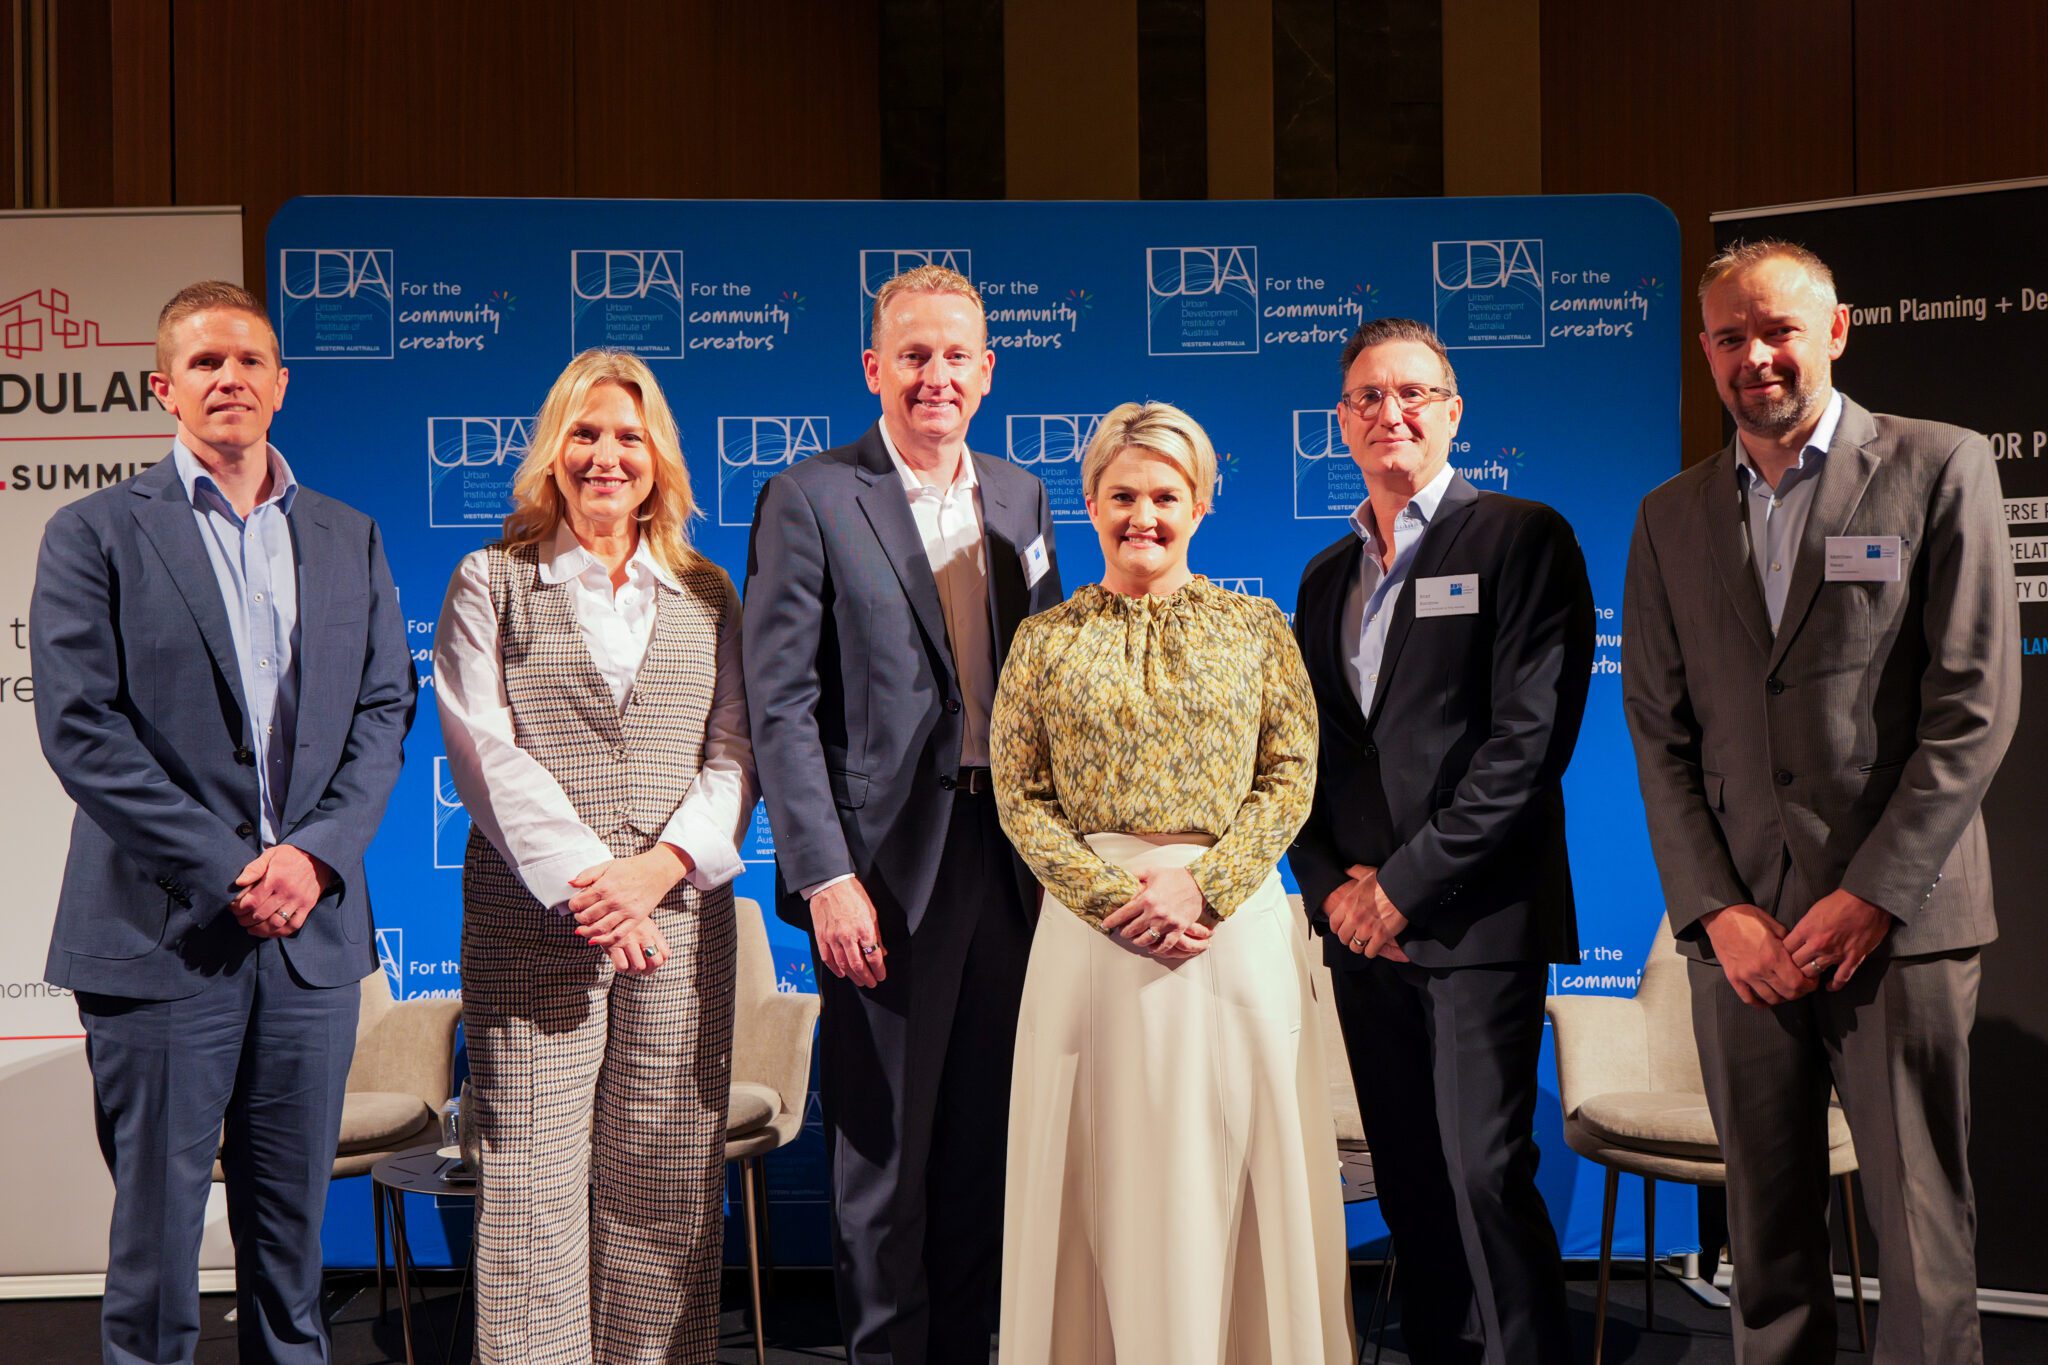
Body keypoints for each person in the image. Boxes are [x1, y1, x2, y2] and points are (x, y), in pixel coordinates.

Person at [1623, 240, 2019, 1364]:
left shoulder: (1939, 464)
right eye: (1729, 337)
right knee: (1765, 1244)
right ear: (1705, 352)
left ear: (1835, 331)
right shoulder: (1667, 515)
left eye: (1777, 330)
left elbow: (1973, 706)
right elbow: (1657, 733)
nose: (1755, 356)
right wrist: (1716, 912)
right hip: (1742, 937)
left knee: (1919, 1234)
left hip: (1899, 926)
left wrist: (1870, 895)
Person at [30, 280, 416, 1363]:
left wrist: (314, 858)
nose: (229, 378)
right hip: (163, 941)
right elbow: (81, 729)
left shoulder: (347, 535)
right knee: (156, 1262)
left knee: (293, 1263)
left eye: (249, 360)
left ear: (281, 384)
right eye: (204, 362)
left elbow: (384, 710)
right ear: (164, 388)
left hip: (309, 944)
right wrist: (237, 869)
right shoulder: (94, 533)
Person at [743, 264, 1063, 1364]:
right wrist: (824, 875)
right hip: (879, 875)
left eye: (956, 357)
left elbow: (1047, 685)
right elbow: (780, 704)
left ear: (988, 370)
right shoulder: (811, 496)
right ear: (874, 368)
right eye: (914, 356)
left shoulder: (1021, 497)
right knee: (884, 1163)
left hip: (1007, 866)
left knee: (982, 1152)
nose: (936, 377)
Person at [990, 400, 1352, 1364]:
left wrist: (1209, 886)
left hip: (1230, 933)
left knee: (1231, 1165)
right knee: (1099, 1168)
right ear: (1090, 504)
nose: (1142, 515)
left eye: (1164, 495)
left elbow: (1291, 776)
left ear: (1200, 504)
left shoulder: (1258, 627)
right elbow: (1021, 798)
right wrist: (1112, 899)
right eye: (1121, 496)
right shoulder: (1043, 640)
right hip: (1089, 942)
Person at [433, 349, 756, 1364]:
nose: (605, 456)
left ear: (658, 458)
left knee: (665, 1183)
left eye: (628, 436)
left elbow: (735, 752)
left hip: (678, 924)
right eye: (584, 433)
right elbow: (483, 749)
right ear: (552, 452)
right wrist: (596, 886)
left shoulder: (707, 591)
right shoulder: (491, 579)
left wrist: (654, 873)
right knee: (530, 1189)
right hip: (532, 926)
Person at [1290, 317, 1593, 1365]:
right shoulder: (1323, 575)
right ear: (1341, 422)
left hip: (1476, 923)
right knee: (1412, 1188)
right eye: (1369, 397)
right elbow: (1306, 760)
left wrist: (1400, 889)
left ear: (1453, 412)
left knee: (1482, 1176)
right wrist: (1329, 888)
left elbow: (1526, 745)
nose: (1392, 412)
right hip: (1361, 938)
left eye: (1414, 392)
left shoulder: (1521, 537)